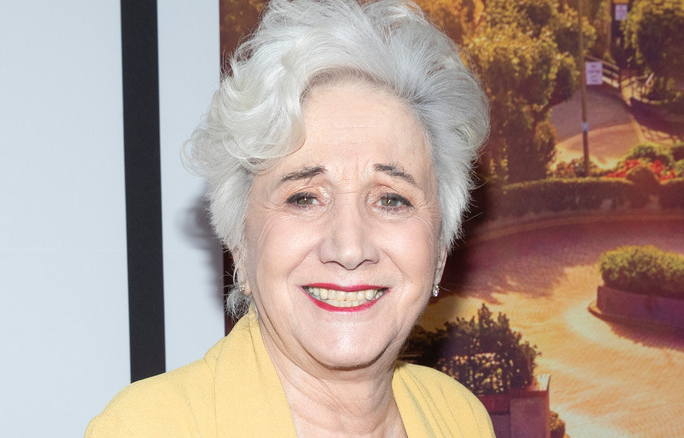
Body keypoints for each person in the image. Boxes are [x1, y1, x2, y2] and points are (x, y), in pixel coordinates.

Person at [86, 0, 493, 436]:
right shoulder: (148, 427)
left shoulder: (460, 419)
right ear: (240, 244)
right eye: (304, 198)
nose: (349, 248)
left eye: (391, 200)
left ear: (439, 252)